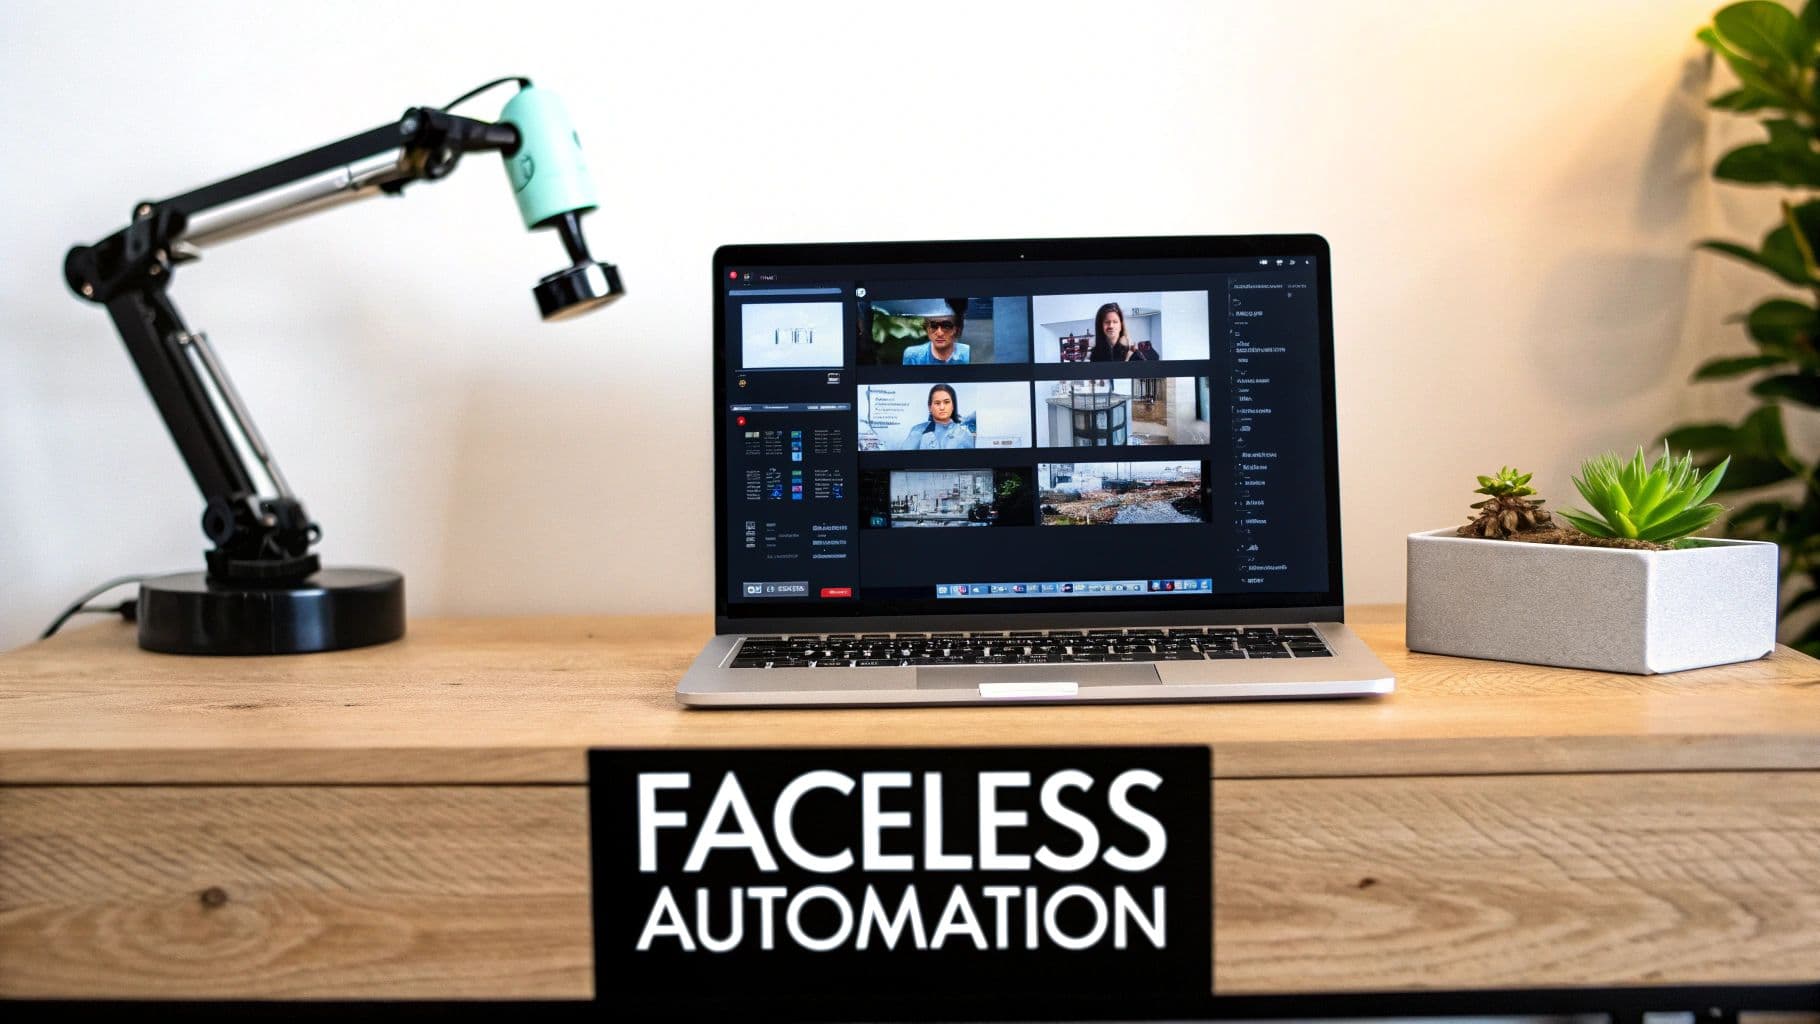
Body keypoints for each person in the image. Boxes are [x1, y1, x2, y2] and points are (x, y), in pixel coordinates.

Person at [899, 384, 975, 450]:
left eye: (946, 402)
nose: (942, 407)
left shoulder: (964, 433)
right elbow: (903, 459)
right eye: (937, 403)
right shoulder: (917, 430)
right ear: (930, 407)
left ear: (953, 406)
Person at [901, 300, 971, 364]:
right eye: (933, 326)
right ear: (927, 328)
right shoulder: (912, 355)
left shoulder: (968, 354)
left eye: (946, 326)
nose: (939, 333)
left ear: (956, 329)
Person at [1088, 302, 1157, 362]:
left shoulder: (1132, 352)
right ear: (1100, 326)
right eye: (1107, 322)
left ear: (1121, 325)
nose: (1111, 325)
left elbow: (1146, 374)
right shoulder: (1095, 354)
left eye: (1115, 322)